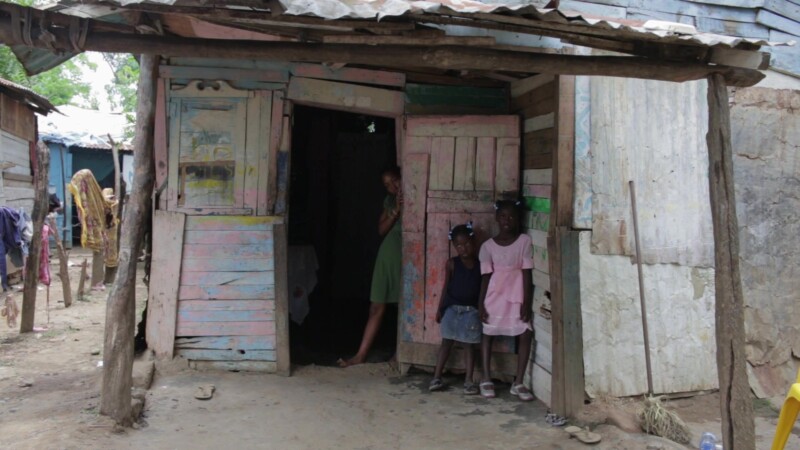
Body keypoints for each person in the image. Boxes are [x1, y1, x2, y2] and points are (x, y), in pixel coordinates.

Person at [338, 166, 402, 367]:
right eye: (387, 185)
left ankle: (401, 354)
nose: (392, 186)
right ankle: (360, 355)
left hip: (408, 257)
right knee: (376, 306)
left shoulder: (416, 196)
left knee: (406, 307)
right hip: (388, 256)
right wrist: (396, 212)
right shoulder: (390, 201)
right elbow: (381, 229)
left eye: (394, 180)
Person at [477, 200, 535, 401]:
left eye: (511, 216)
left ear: (517, 219)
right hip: (494, 295)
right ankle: (486, 378)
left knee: (525, 332)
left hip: (517, 294)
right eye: (503, 216)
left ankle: (518, 382)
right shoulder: (487, 247)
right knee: (488, 333)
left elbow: (527, 274)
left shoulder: (524, 242)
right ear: (496, 218)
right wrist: (481, 304)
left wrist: (527, 302)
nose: (507, 220)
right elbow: (485, 277)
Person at [429, 222, 482, 395]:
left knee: (469, 345)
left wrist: (481, 309)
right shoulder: (452, 263)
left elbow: (483, 290)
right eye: (459, 245)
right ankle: (436, 377)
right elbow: (446, 287)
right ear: (454, 246)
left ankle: (468, 380)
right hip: (451, 309)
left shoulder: (481, 265)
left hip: (471, 310)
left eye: (466, 243)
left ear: (473, 242)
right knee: (446, 342)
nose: (463, 248)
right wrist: (440, 309)